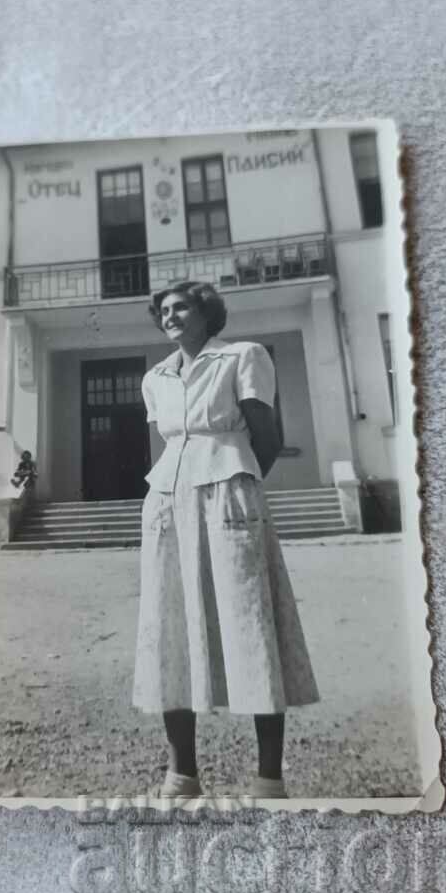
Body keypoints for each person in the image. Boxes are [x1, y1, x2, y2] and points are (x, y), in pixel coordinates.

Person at [132, 281, 319, 800]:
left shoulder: (242, 356)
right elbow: (167, 445)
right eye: (163, 310)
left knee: (249, 622)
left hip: (230, 496)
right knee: (169, 625)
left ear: (206, 312)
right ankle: (182, 773)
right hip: (169, 500)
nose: (171, 315)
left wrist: (236, 482)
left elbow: (268, 436)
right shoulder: (156, 378)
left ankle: (268, 778)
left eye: (181, 307)